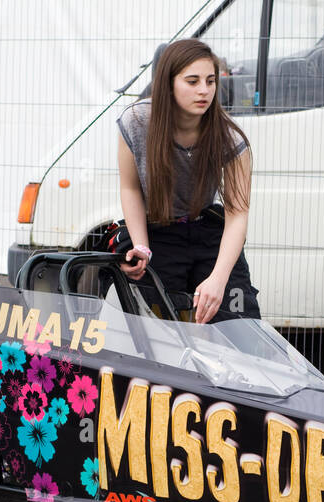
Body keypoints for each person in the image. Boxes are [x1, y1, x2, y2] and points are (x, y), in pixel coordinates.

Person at [116, 38, 259, 324]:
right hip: (158, 230)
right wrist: (142, 247)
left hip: (207, 231)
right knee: (154, 328)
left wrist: (218, 280)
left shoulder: (231, 139)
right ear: (168, 84)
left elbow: (237, 215)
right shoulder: (136, 121)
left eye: (210, 81)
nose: (204, 90)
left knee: (240, 323)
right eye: (192, 81)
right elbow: (130, 188)